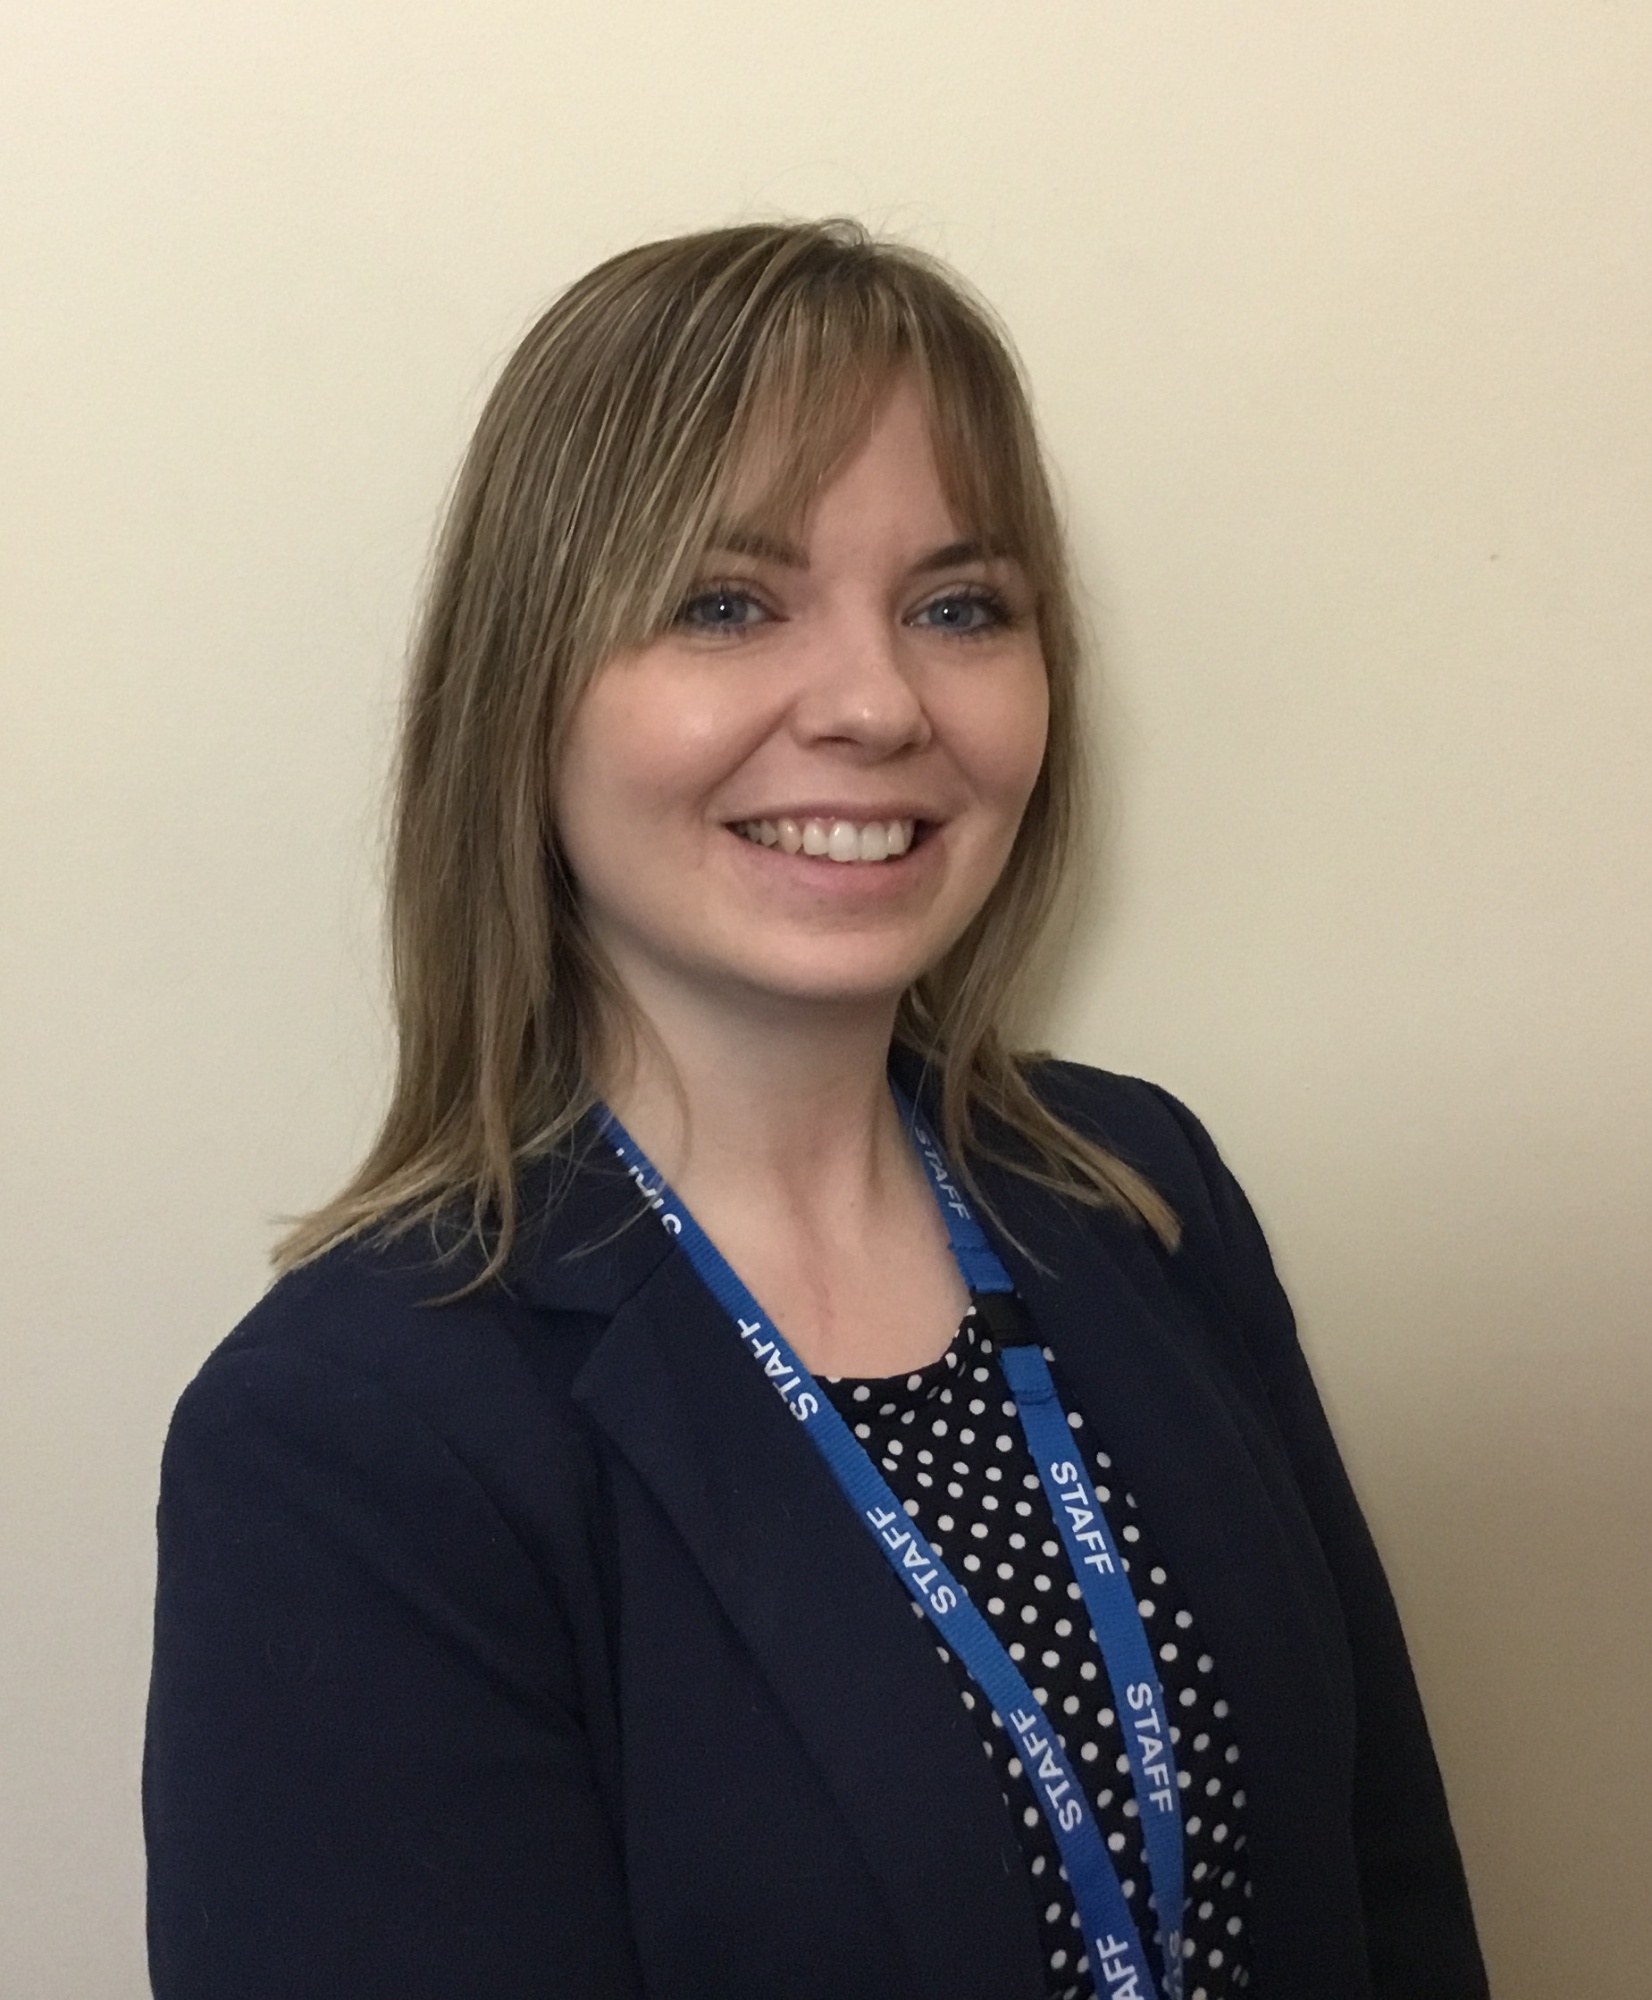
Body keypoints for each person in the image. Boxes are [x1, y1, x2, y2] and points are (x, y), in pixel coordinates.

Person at [144, 220, 1488, 2000]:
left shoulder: (1141, 1192)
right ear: (524, 691)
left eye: (959, 608)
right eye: (726, 603)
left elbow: (1388, 1883)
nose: (875, 704)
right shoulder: (350, 1437)